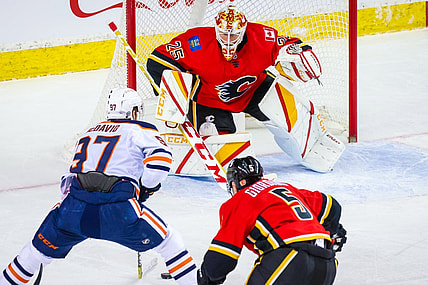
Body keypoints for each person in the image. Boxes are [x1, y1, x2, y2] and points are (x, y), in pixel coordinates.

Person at [0, 88, 197, 285]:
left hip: (74, 209)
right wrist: (145, 189)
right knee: (170, 242)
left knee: (35, 253)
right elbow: (160, 162)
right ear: (134, 111)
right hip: (117, 211)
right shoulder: (141, 130)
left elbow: (68, 180)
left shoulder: (89, 132)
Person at [147, 4, 345, 173]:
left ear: (243, 30)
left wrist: (301, 49)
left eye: (233, 35)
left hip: (254, 90)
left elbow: (287, 44)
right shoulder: (195, 42)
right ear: (216, 29)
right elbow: (157, 61)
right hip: (209, 99)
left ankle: (311, 147)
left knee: (293, 120)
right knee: (222, 152)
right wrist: (177, 96)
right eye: (224, 34)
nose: (228, 40)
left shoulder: (261, 37)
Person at [197, 156, 347, 285]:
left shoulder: (239, 200)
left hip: (291, 258)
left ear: (235, 184)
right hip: (327, 264)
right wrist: (334, 231)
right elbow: (331, 206)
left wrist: (206, 277)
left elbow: (224, 255)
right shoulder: (284, 187)